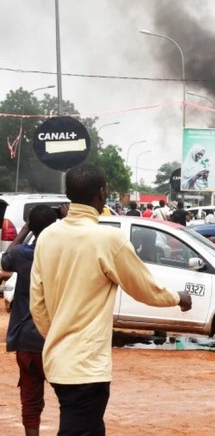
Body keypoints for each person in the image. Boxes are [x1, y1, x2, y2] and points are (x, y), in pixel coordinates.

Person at [30, 164, 192, 435]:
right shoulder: (107, 239)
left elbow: (37, 303)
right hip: (87, 367)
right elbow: (144, 288)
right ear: (102, 194)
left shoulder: (48, 236)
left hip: (59, 362)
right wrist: (178, 297)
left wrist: (57, 337)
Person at [0, 205, 58, 436]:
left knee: (31, 401)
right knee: (70, 399)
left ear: (32, 226)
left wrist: (26, 229)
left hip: (26, 338)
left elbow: (5, 259)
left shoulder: (24, 255)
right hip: (56, 338)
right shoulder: (61, 255)